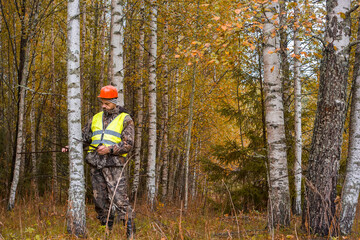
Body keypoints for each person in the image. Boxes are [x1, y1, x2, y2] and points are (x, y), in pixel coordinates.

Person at [63, 85, 135, 238]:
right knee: (99, 201)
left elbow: (128, 144)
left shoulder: (125, 118)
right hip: (96, 164)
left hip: (114, 165)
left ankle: (130, 233)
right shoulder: (95, 118)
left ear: (115, 101)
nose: (103, 106)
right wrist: (71, 147)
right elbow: (84, 138)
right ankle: (106, 232)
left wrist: (109, 149)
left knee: (120, 200)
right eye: (102, 102)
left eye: (107, 103)